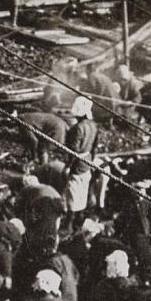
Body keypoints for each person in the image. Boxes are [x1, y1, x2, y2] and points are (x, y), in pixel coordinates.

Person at [64, 96, 98, 228]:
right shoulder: (93, 126)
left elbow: (73, 150)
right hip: (87, 162)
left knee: (73, 192)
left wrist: (68, 166)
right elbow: (95, 146)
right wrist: (91, 161)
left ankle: (69, 223)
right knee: (83, 193)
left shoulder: (78, 128)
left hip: (77, 164)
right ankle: (80, 219)